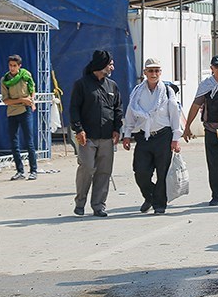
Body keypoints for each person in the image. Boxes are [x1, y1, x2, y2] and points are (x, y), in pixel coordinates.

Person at [121, 58, 183, 215]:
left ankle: (159, 204)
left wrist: (176, 138)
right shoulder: (137, 92)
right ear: (144, 73)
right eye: (150, 71)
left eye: (156, 71)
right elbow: (130, 114)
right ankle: (150, 196)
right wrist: (127, 135)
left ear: (160, 72)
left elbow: (174, 115)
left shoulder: (167, 91)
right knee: (140, 172)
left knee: (162, 172)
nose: (153, 74)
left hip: (163, 136)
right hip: (144, 137)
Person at [69, 50, 123, 217]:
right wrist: (78, 129)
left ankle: (99, 205)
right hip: (87, 137)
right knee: (86, 168)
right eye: (110, 64)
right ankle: (80, 203)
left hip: (107, 137)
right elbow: (74, 109)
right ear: (101, 65)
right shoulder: (82, 85)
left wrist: (117, 128)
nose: (112, 67)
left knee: (104, 172)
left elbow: (118, 108)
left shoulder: (112, 85)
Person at [183, 54, 218, 206]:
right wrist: (187, 126)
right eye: (217, 66)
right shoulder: (206, 85)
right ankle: (216, 194)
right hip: (210, 129)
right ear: (211, 69)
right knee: (213, 163)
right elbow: (196, 105)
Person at [1, 54, 38, 181]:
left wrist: (31, 101)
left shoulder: (25, 75)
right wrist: (22, 99)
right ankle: (20, 171)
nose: (12, 68)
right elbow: (6, 101)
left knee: (29, 142)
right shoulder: (5, 79)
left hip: (25, 110)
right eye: (10, 65)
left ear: (19, 66)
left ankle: (33, 170)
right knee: (14, 143)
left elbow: (32, 88)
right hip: (12, 112)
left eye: (14, 66)